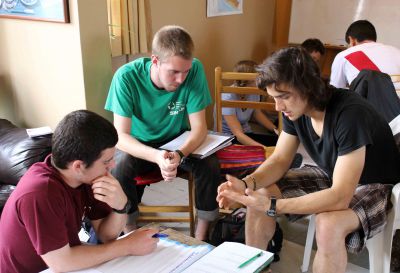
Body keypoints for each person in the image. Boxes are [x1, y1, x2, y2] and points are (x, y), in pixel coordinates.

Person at [217, 47, 400, 273]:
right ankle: (256, 269)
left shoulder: (349, 114)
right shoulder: (295, 111)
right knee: (260, 194)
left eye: (283, 97)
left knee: (327, 225)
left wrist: (274, 206)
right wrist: (246, 185)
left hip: (377, 185)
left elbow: (340, 196)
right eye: (274, 98)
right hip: (334, 172)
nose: (278, 107)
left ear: (309, 88)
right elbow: (280, 159)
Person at [0, 110, 159, 273]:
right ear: (78, 166)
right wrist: (127, 246)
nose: (112, 165)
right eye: (106, 161)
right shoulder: (40, 193)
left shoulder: (87, 178)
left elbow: (106, 236)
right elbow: (62, 263)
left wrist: (121, 207)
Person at [105, 25, 221, 240]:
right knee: (118, 167)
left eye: (185, 72)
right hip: (139, 144)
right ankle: (130, 233)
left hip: (177, 141)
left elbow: (199, 128)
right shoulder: (126, 77)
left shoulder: (195, 69)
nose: (181, 79)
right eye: (174, 72)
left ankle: (201, 237)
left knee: (210, 163)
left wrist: (180, 153)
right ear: (155, 61)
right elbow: (120, 136)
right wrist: (157, 156)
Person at [221, 60, 278, 147]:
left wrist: (275, 129)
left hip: (247, 133)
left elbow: (257, 113)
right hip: (229, 138)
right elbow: (238, 135)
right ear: (246, 81)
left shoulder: (254, 91)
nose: (261, 80)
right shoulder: (227, 96)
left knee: (279, 142)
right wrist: (263, 149)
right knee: (268, 151)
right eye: (258, 78)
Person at [330, 19, 400, 89]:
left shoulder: (344, 55)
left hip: (371, 99)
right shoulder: (397, 51)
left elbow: (335, 90)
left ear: (351, 40)